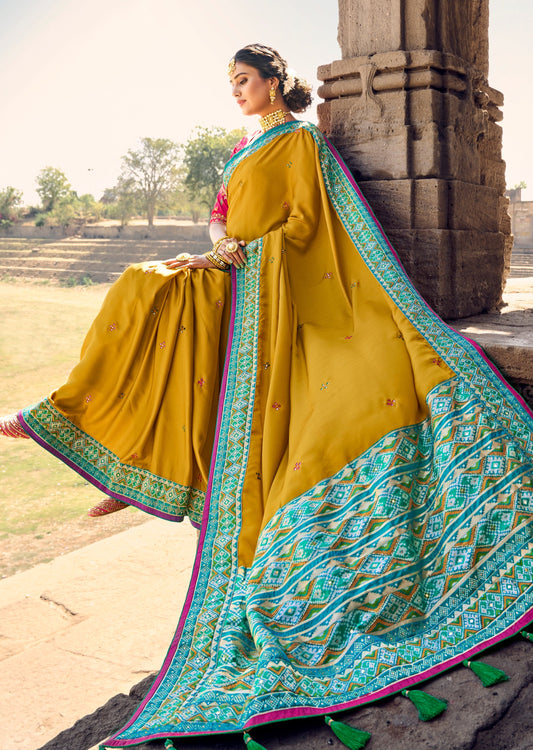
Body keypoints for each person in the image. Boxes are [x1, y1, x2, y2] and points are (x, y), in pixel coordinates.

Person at [3, 44, 533, 749]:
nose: (236, 91)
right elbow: (220, 216)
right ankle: (106, 443)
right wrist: (218, 247)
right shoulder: (240, 151)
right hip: (239, 279)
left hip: (281, 294)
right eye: (230, 83)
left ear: (275, 82)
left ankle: (151, 468)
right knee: (143, 290)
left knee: (170, 311)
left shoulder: (298, 143)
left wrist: (237, 254)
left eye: (244, 80)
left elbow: (306, 229)